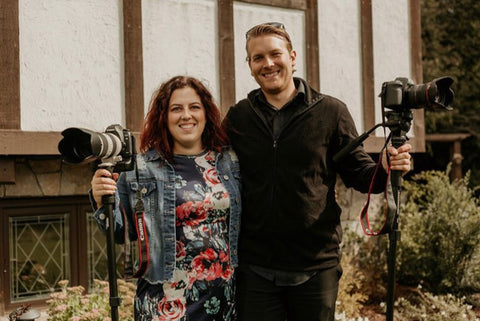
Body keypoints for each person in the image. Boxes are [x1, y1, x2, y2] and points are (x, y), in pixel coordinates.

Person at [222, 22, 412, 321]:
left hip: (315, 266)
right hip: (255, 267)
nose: (268, 63)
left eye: (275, 54)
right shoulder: (239, 117)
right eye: (258, 58)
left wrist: (385, 167)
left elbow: (359, 173)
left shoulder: (331, 112)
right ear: (249, 66)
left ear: (292, 57)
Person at [90, 76, 241, 321]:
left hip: (223, 301)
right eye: (176, 109)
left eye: (194, 107)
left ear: (206, 113)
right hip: (165, 305)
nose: (186, 115)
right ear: (164, 116)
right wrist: (101, 200)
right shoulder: (140, 168)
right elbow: (118, 233)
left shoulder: (229, 162)